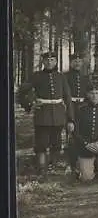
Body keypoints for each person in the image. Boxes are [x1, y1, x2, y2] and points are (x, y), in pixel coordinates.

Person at [17, 51, 74, 180]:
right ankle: (41, 169)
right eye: (47, 60)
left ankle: (53, 168)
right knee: (41, 143)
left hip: (58, 114)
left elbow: (68, 98)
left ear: (56, 62)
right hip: (42, 114)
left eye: (52, 60)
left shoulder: (61, 77)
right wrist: (29, 104)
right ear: (43, 62)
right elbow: (21, 92)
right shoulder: (36, 76)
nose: (49, 62)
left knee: (56, 142)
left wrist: (70, 118)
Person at [63, 52, 91, 173]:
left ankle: (82, 161)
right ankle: (71, 163)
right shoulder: (66, 76)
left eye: (79, 61)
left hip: (83, 106)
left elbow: (90, 91)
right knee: (71, 134)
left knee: (83, 132)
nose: (77, 63)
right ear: (71, 63)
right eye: (75, 61)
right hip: (71, 106)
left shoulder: (85, 77)